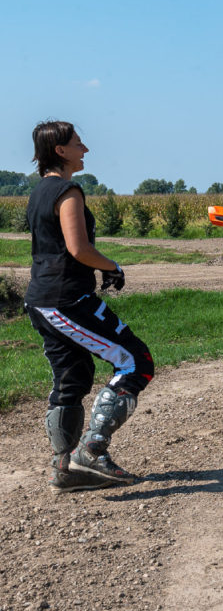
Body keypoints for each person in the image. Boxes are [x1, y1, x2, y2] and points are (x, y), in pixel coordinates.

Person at [24, 121, 154, 493]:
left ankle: (65, 468)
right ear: (61, 151)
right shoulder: (68, 191)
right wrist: (112, 267)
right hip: (68, 299)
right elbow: (78, 248)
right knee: (135, 362)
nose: (86, 150)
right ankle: (91, 451)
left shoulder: (38, 192)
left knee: (72, 378)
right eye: (79, 144)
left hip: (41, 299)